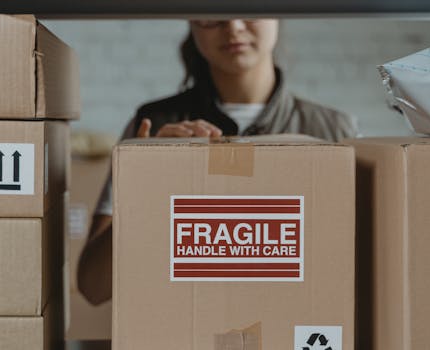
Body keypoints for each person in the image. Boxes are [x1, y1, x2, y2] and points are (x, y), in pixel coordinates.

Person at [78, 19, 358, 304]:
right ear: (191, 21)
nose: (233, 26)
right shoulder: (153, 126)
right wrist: (147, 184)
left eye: (249, 6)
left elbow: (360, 275)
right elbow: (93, 287)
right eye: (213, 10)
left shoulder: (335, 132)